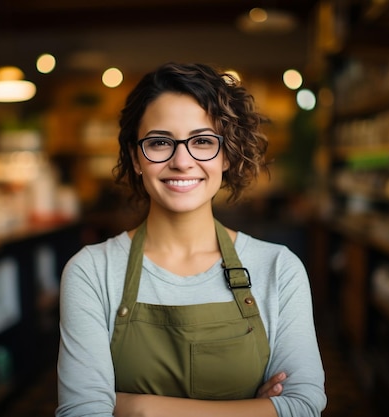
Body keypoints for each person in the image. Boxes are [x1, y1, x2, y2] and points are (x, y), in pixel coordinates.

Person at [56, 62, 326, 417]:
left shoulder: (279, 268)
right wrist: (256, 410)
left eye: (202, 141)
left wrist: (134, 407)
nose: (182, 161)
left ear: (227, 154)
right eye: (159, 142)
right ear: (136, 158)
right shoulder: (91, 271)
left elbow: (302, 406)